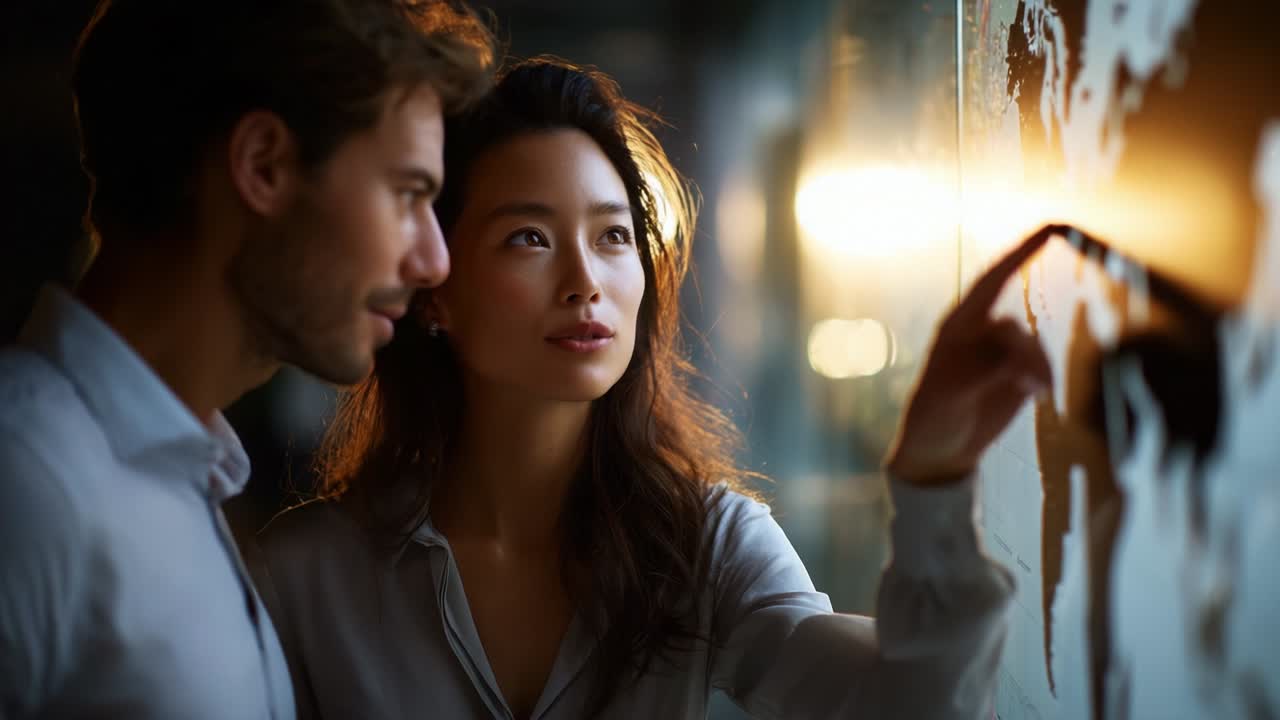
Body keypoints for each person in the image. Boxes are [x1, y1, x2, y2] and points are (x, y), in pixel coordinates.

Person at [249, 58, 1058, 719]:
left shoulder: (704, 544)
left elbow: (914, 705)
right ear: (436, 291)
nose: (585, 282)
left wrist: (933, 481)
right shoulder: (307, 575)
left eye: (612, 236)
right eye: (529, 237)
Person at [0, 1, 493, 717]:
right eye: (407, 194)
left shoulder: (180, 474)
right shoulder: (26, 478)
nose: (434, 261)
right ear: (263, 165)